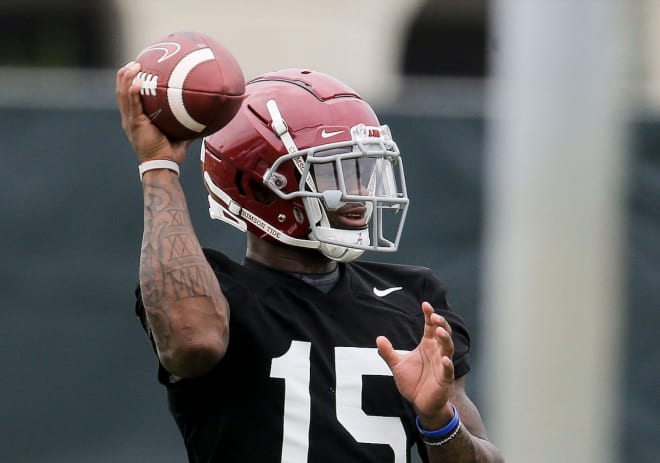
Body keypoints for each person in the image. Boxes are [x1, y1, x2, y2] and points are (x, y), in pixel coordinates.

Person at [116, 61, 504, 463]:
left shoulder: (413, 298)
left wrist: (438, 420)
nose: (357, 192)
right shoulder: (214, 293)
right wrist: (158, 167)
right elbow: (191, 342)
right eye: (333, 172)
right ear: (259, 186)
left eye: (362, 169)